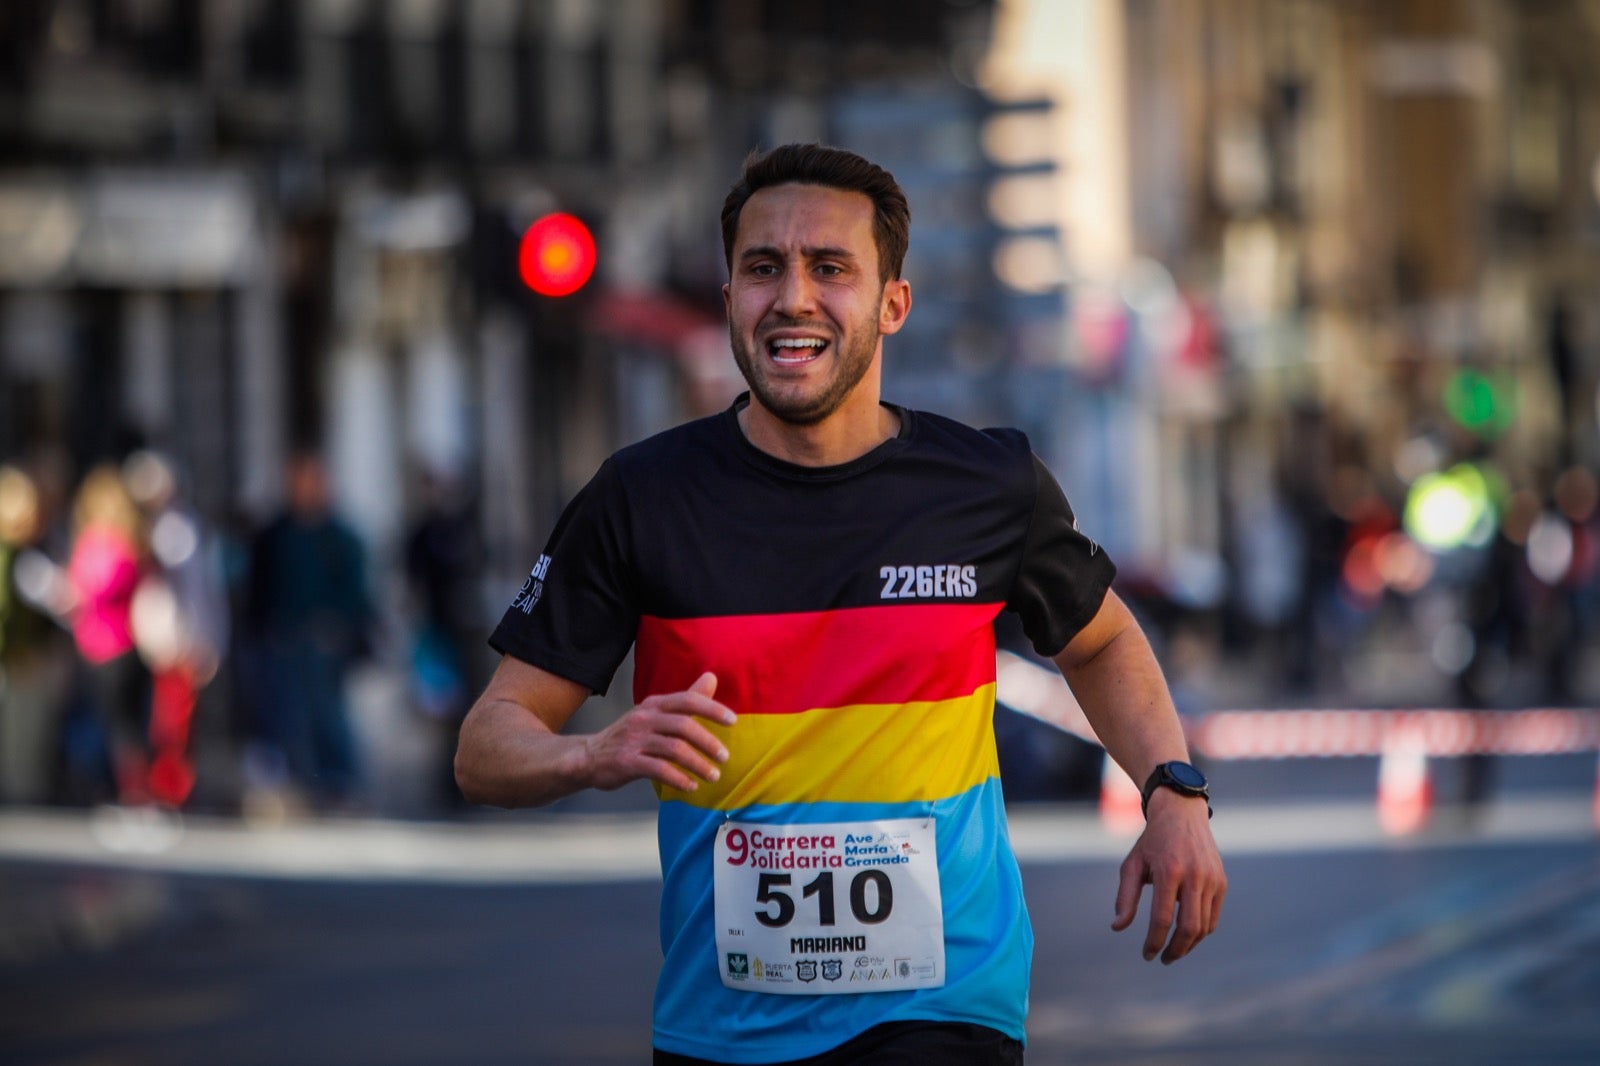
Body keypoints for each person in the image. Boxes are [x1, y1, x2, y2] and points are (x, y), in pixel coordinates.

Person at [455, 144, 1226, 1065]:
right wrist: (591, 752)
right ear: (731, 295)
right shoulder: (641, 498)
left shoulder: (986, 485)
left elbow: (1098, 643)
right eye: (762, 268)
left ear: (892, 303)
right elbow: (484, 749)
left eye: (831, 268)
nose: (793, 297)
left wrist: (1173, 793)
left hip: (946, 1013)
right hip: (724, 1029)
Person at [241, 449, 374, 812]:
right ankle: (299, 783)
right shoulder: (276, 534)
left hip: (324, 641)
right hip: (282, 639)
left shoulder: (340, 536)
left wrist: (339, 626)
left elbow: (355, 590)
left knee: (328, 712)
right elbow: (259, 586)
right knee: (286, 713)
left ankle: (338, 781)